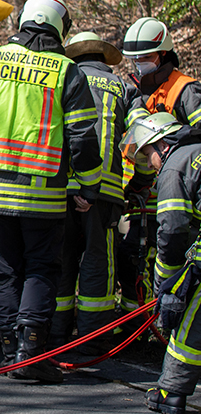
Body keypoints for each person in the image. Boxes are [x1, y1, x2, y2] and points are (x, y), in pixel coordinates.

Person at [0, 0, 102, 383]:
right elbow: (84, 138)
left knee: (3, 272)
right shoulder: (66, 71)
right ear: (60, 28)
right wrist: (89, 187)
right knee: (40, 268)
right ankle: (30, 354)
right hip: (42, 197)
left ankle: (8, 353)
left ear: (23, 21)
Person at [51, 32, 141, 353]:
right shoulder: (125, 89)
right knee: (97, 264)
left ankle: (56, 335)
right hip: (104, 195)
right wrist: (140, 184)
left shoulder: (62, 81)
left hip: (61, 191)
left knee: (60, 261)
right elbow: (140, 138)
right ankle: (92, 339)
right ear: (104, 59)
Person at [119, 113, 201, 414]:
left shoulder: (176, 165)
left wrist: (166, 284)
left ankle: (171, 392)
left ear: (162, 144)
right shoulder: (196, 153)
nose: (150, 164)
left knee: (191, 324)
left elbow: (172, 229)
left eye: (147, 155)